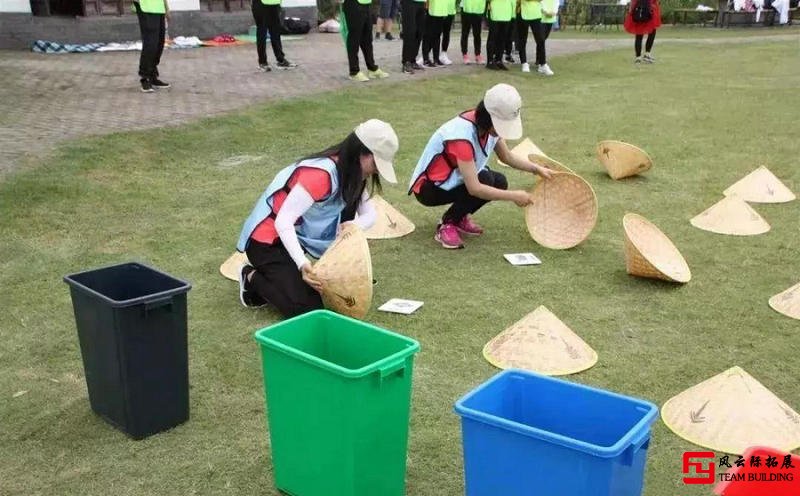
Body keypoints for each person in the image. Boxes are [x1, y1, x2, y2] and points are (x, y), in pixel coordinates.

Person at [236, 120, 399, 317]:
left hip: (299, 237)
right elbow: (283, 221)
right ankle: (250, 277)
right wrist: (302, 264)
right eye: (376, 163)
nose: (376, 171)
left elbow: (370, 215)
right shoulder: (321, 174)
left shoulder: (354, 174)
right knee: (307, 309)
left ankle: (296, 275)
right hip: (268, 241)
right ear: (361, 152)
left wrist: (352, 226)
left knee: (324, 293)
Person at [407, 84, 552, 249]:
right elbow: (475, 188)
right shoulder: (462, 136)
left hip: (451, 179)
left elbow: (507, 156)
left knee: (499, 181)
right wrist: (514, 196)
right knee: (485, 179)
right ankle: (447, 224)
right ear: (490, 119)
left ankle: (459, 216)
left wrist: (536, 169)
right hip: (429, 188)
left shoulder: (487, 128)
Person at [341, 0, 390, 81]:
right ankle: (354, 72)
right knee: (354, 38)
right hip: (352, 3)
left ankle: (372, 68)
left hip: (366, 3)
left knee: (367, 39)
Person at [133, 0, 170, 92]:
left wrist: (166, 8)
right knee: (151, 43)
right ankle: (145, 77)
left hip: (159, 7)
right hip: (146, 7)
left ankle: (152, 75)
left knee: (159, 43)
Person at [252, 0, 298, 72]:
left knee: (275, 32)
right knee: (262, 32)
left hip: (274, 3)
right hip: (261, 3)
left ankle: (280, 60)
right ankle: (262, 62)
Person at [517, 0, 557, 74]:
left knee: (541, 39)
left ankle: (542, 64)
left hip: (536, 14)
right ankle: (524, 63)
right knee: (522, 39)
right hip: (523, 13)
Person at [485, 0, 515, 70]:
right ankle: (490, 61)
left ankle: (498, 60)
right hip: (495, 13)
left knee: (502, 39)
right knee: (492, 38)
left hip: (507, 13)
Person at [402, 0, 428, 73]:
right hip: (409, 2)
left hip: (421, 2)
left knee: (419, 32)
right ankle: (406, 62)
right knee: (410, 31)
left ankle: (413, 60)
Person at [460, 0, 486, 64]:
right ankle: (465, 54)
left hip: (478, 9)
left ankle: (478, 55)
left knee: (477, 34)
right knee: (465, 33)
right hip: (466, 8)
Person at [438, 0, 457, 64]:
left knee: (446, 33)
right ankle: (426, 56)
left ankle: (443, 54)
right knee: (435, 33)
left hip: (450, 9)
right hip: (438, 8)